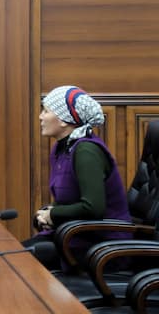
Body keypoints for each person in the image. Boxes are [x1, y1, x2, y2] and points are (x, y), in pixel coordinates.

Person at [22, 85, 131, 271]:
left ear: (63, 120)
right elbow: (70, 200)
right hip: (74, 236)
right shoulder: (61, 148)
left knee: (16, 261)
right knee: (13, 256)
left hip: (103, 249)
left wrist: (53, 215)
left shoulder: (86, 151)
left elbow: (93, 208)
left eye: (46, 111)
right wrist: (48, 214)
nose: (40, 117)